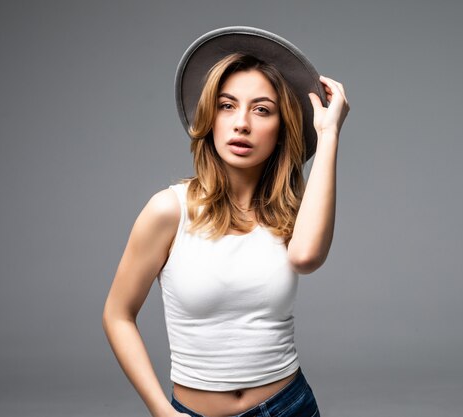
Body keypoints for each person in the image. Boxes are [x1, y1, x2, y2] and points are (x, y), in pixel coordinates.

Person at [102, 26, 349, 417]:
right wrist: (161, 412)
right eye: (227, 105)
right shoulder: (168, 210)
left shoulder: (289, 214)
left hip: (288, 407)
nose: (242, 123)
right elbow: (117, 315)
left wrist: (329, 132)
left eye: (262, 110)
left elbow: (306, 258)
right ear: (209, 118)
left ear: (282, 128)